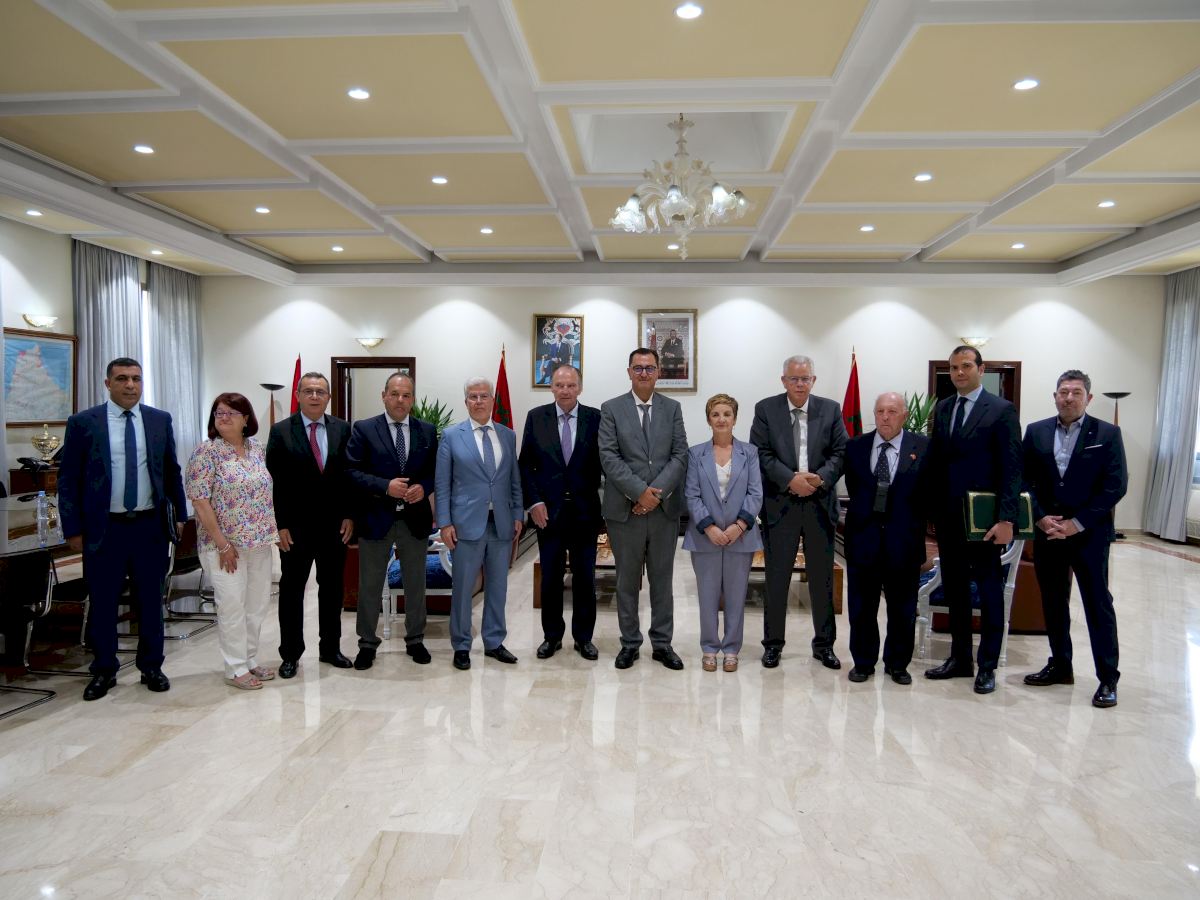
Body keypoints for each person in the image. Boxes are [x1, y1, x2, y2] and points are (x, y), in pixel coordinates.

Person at [58, 357, 187, 701]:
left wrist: (179, 515)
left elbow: (170, 470)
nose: (130, 385)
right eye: (122, 379)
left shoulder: (159, 420)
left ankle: (152, 667)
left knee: (150, 600)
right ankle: (104, 670)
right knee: (103, 602)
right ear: (108, 383)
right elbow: (68, 479)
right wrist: (72, 528)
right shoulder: (84, 423)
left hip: (148, 526)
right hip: (104, 528)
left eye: (136, 379)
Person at [1021, 370, 1127, 708]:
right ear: (1055, 396)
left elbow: (1115, 485)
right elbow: (1023, 480)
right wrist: (1040, 517)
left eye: (1076, 392)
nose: (1068, 398)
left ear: (1088, 398)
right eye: (1063, 392)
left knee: (1097, 604)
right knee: (1053, 602)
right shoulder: (1036, 431)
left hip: (1089, 535)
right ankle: (1060, 665)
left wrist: (1077, 523)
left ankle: (1108, 677)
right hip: (1048, 532)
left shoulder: (1107, 433)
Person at [924, 345, 1022, 695]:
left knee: (990, 592)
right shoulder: (944, 407)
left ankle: (988, 666)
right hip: (949, 518)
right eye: (954, 368)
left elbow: (1012, 468)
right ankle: (960, 659)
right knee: (956, 591)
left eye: (966, 366)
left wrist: (1007, 519)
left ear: (981, 369)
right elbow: (938, 462)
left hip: (984, 522)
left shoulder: (1001, 410)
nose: (959, 373)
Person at [749, 355, 847, 670]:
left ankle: (824, 646)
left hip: (819, 504)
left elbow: (841, 451)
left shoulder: (830, 409)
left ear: (813, 381)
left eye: (805, 378)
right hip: (781, 504)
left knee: (822, 580)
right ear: (784, 381)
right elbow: (760, 453)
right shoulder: (766, 409)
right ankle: (773, 645)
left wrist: (819, 479)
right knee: (777, 579)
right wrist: (790, 480)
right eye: (794, 378)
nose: (800, 384)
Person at [598, 348, 688, 670]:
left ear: (659, 371)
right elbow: (609, 456)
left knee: (662, 581)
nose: (644, 373)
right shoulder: (611, 409)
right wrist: (639, 493)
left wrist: (655, 495)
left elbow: (680, 455)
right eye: (638, 368)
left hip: (663, 512)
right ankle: (629, 643)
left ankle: (662, 644)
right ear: (629, 372)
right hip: (625, 512)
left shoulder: (672, 408)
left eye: (650, 368)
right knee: (626, 581)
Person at [345, 373, 439, 670]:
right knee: (370, 585)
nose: (400, 400)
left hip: (414, 519)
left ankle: (415, 639)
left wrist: (424, 487)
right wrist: (385, 486)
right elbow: (351, 472)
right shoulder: (364, 429)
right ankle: (367, 643)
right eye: (395, 394)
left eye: (406, 395)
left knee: (415, 583)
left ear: (412, 399)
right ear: (384, 395)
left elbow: (435, 471)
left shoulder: (427, 430)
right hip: (376, 518)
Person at [186, 393, 278, 690]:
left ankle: (249, 659)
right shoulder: (206, 452)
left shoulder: (257, 449)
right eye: (219, 413)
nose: (224, 418)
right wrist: (223, 544)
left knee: (257, 605)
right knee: (232, 606)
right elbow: (200, 502)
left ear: (246, 419)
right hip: (224, 547)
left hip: (259, 543)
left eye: (231, 413)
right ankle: (235, 667)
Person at [265, 372, 354, 679]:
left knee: (332, 591)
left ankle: (330, 648)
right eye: (308, 391)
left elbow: (349, 478)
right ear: (298, 395)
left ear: (328, 397)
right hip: (295, 529)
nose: (315, 396)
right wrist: (280, 524)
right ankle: (290, 654)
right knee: (292, 592)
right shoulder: (281, 431)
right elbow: (275, 482)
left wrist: (350, 515)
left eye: (320, 391)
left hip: (335, 527)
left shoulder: (343, 429)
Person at [842, 392, 930, 684]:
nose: (885, 417)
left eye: (892, 411)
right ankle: (863, 662)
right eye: (880, 411)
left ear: (904, 415)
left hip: (903, 543)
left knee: (902, 608)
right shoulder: (856, 446)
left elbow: (929, 494)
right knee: (861, 607)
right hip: (863, 541)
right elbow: (855, 489)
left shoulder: (923, 447)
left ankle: (897, 664)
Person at [436, 377, 523, 670]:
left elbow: (513, 480)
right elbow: (442, 483)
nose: (478, 401)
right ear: (466, 402)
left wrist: (518, 514)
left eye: (484, 396)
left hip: (501, 523)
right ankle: (461, 645)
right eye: (473, 396)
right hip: (465, 525)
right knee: (463, 588)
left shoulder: (507, 435)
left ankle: (494, 642)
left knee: (498, 586)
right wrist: (444, 523)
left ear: (492, 400)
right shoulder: (451, 436)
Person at [518, 364, 603, 660]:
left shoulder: (596, 418)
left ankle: (584, 638)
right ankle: (551, 636)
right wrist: (534, 503)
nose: (565, 390)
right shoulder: (536, 417)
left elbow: (605, 463)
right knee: (551, 579)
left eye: (571, 385)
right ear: (551, 387)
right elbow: (525, 466)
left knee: (585, 578)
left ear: (579, 387)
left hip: (585, 514)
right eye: (559, 385)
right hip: (548, 514)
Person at [682, 393, 762, 672]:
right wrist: (710, 527)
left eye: (727, 414)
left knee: (737, 597)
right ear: (708, 419)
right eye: (715, 414)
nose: (721, 419)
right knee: (707, 596)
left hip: (741, 537)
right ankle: (709, 647)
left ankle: (731, 649)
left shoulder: (750, 453)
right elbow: (691, 495)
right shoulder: (696, 454)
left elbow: (755, 494)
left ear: (735, 418)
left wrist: (739, 526)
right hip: (705, 538)